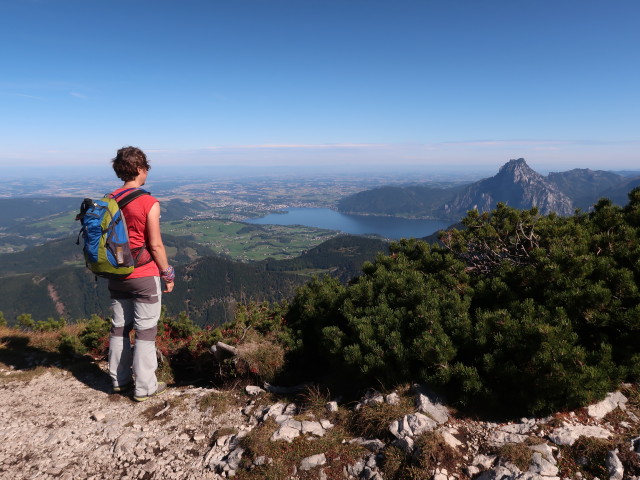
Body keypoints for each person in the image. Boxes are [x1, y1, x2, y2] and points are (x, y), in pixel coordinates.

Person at [108, 146, 175, 402]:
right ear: (139, 169)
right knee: (146, 332)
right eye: (145, 168)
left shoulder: (109, 199)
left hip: (116, 274)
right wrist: (168, 274)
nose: (146, 172)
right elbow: (155, 245)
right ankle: (145, 387)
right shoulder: (148, 202)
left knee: (119, 328)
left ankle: (118, 380)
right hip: (144, 275)